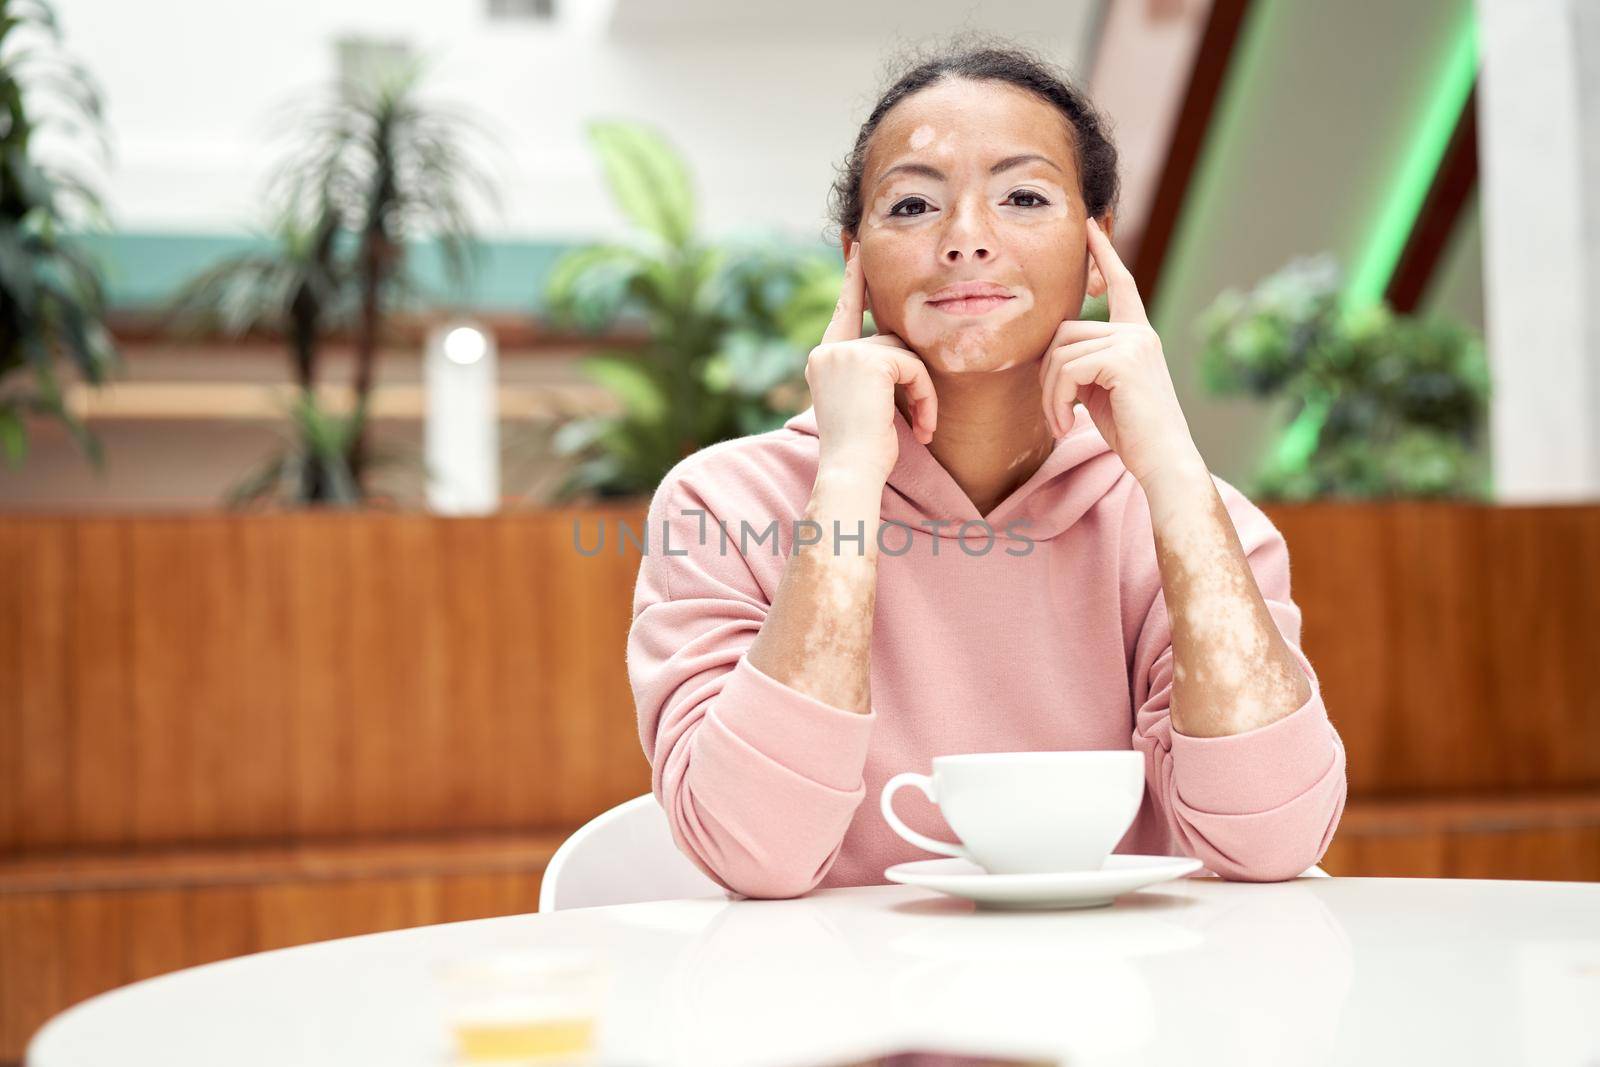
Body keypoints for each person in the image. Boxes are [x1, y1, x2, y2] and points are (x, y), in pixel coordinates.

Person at [625, 40, 1348, 900]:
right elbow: (757, 852)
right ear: (854, 256)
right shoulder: (721, 505)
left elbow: (1272, 840)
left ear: (1095, 250)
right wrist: (848, 474)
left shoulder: (1187, 518)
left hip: (1137, 1011)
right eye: (913, 206)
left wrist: (1176, 477)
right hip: (835, 1014)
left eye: (1024, 196)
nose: (966, 239)